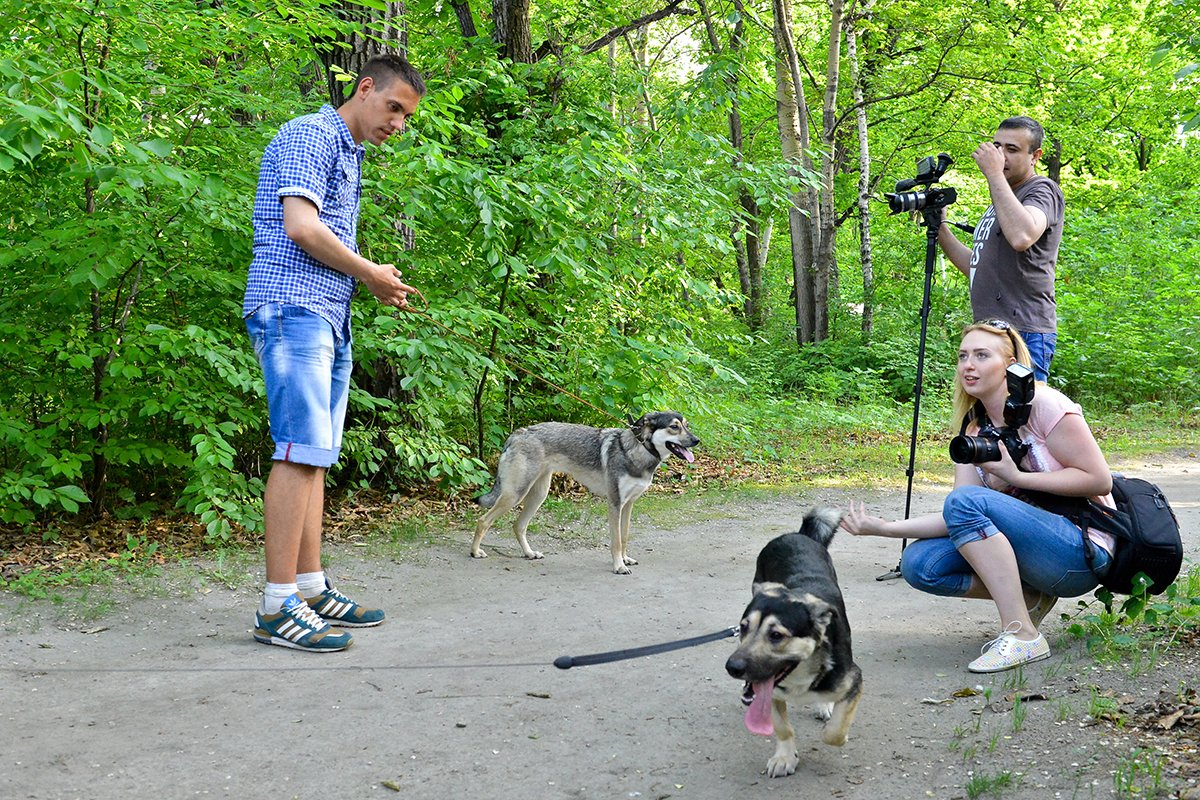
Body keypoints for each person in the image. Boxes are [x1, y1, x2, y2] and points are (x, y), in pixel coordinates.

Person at [242, 54, 426, 652]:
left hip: (327, 315)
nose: (398, 122)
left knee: (315, 455)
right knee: (297, 452)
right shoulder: (310, 134)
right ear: (365, 87)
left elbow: (326, 238)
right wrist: (370, 271)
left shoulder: (351, 152)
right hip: (291, 309)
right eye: (393, 107)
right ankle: (277, 606)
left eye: (406, 116)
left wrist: (372, 282)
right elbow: (299, 226)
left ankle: (310, 586)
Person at [840, 320, 1116, 673]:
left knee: (965, 501)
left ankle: (1022, 634)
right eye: (963, 356)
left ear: (1010, 363)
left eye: (982, 355)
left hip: (1080, 550)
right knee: (920, 564)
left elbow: (1098, 480)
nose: (968, 365)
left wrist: (1016, 477)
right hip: (1036, 556)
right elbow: (960, 515)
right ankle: (1029, 597)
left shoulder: (1045, 405)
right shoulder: (975, 428)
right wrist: (883, 528)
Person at [937, 117, 1064, 381]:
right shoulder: (1002, 200)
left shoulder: (1042, 190)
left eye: (1012, 149)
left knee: (1021, 417)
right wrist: (940, 229)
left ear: (1035, 156)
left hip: (1023, 332)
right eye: (997, 147)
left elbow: (1023, 235)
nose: (1001, 155)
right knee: (990, 419)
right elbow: (978, 265)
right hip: (989, 330)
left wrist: (994, 174)